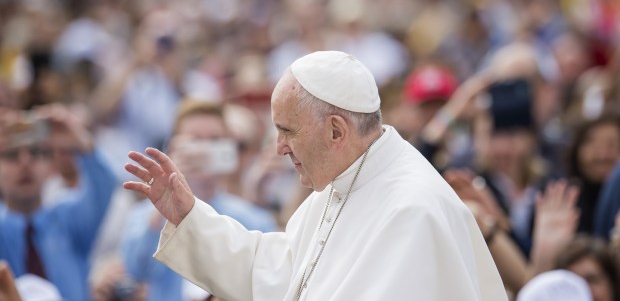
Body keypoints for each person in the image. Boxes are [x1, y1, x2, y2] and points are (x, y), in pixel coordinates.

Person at [124, 51, 507, 300]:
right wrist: (190, 216)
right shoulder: (342, 181)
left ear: (337, 131)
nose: (278, 147)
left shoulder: (412, 211)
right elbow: (276, 272)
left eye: (287, 130)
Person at [121, 99, 277, 301]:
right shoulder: (144, 215)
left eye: (214, 140)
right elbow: (134, 270)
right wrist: (162, 206)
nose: (204, 149)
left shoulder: (255, 220)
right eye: (194, 140)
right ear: (173, 146)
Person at [0, 105, 118, 300]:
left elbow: (103, 184)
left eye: (36, 152)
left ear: (50, 165)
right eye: (12, 155)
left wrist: (79, 140)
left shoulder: (67, 219)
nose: (25, 162)